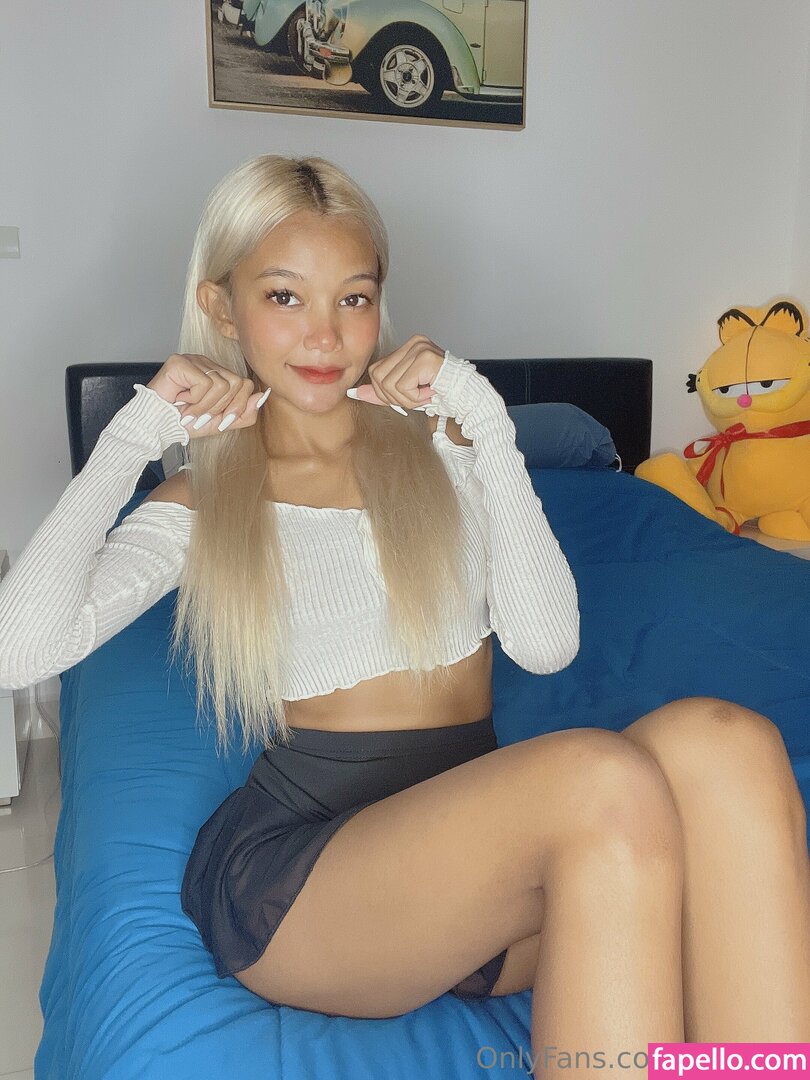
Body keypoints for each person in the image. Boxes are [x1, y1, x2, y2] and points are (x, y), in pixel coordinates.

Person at [0, 156, 807, 1071]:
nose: (325, 333)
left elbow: (546, 645)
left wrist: (486, 426)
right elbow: (19, 650)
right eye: (284, 296)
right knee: (602, 782)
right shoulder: (207, 496)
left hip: (474, 858)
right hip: (311, 877)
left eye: (353, 298)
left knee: (730, 743)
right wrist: (136, 430)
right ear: (222, 309)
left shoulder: (442, 452)